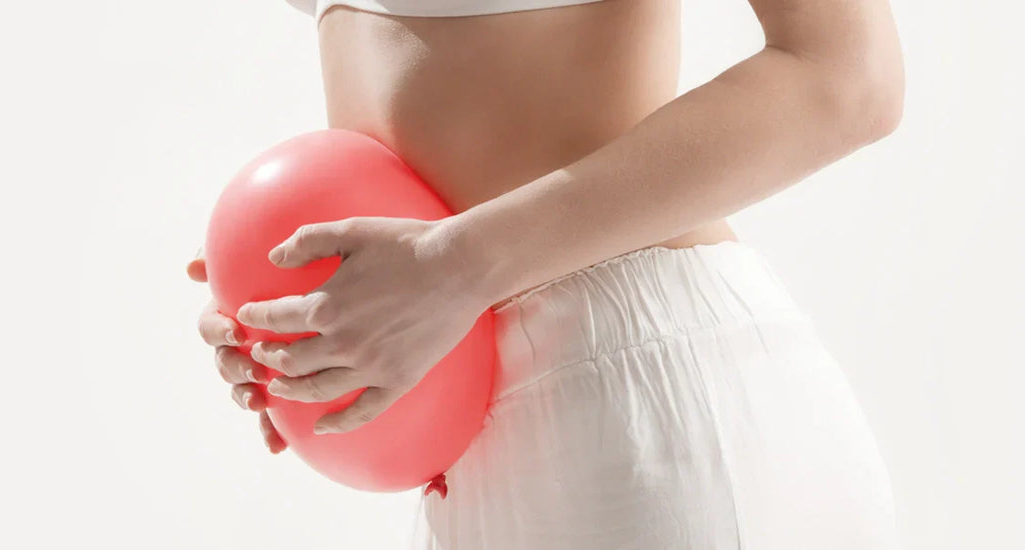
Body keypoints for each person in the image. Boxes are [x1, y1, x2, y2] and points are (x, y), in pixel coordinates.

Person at [188, 0, 905, 547]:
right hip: (464, 435)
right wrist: (298, 325)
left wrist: (454, 269)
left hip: (634, 397)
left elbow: (848, 77)